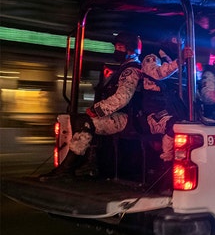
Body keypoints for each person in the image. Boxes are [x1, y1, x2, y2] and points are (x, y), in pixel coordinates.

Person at [40, 32, 143, 180]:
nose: (116, 50)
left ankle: (71, 167)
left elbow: (122, 98)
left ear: (131, 49)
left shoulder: (131, 70)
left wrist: (97, 110)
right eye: (116, 47)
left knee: (87, 123)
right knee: (80, 120)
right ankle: (81, 164)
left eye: (120, 47)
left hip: (128, 118)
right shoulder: (123, 69)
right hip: (118, 114)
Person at [139, 36, 190, 163]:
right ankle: (167, 160)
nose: (179, 42)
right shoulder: (152, 57)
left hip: (175, 107)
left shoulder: (179, 61)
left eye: (182, 40)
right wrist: (180, 61)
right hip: (155, 111)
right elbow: (157, 74)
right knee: (175, 125)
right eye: (176, 39)